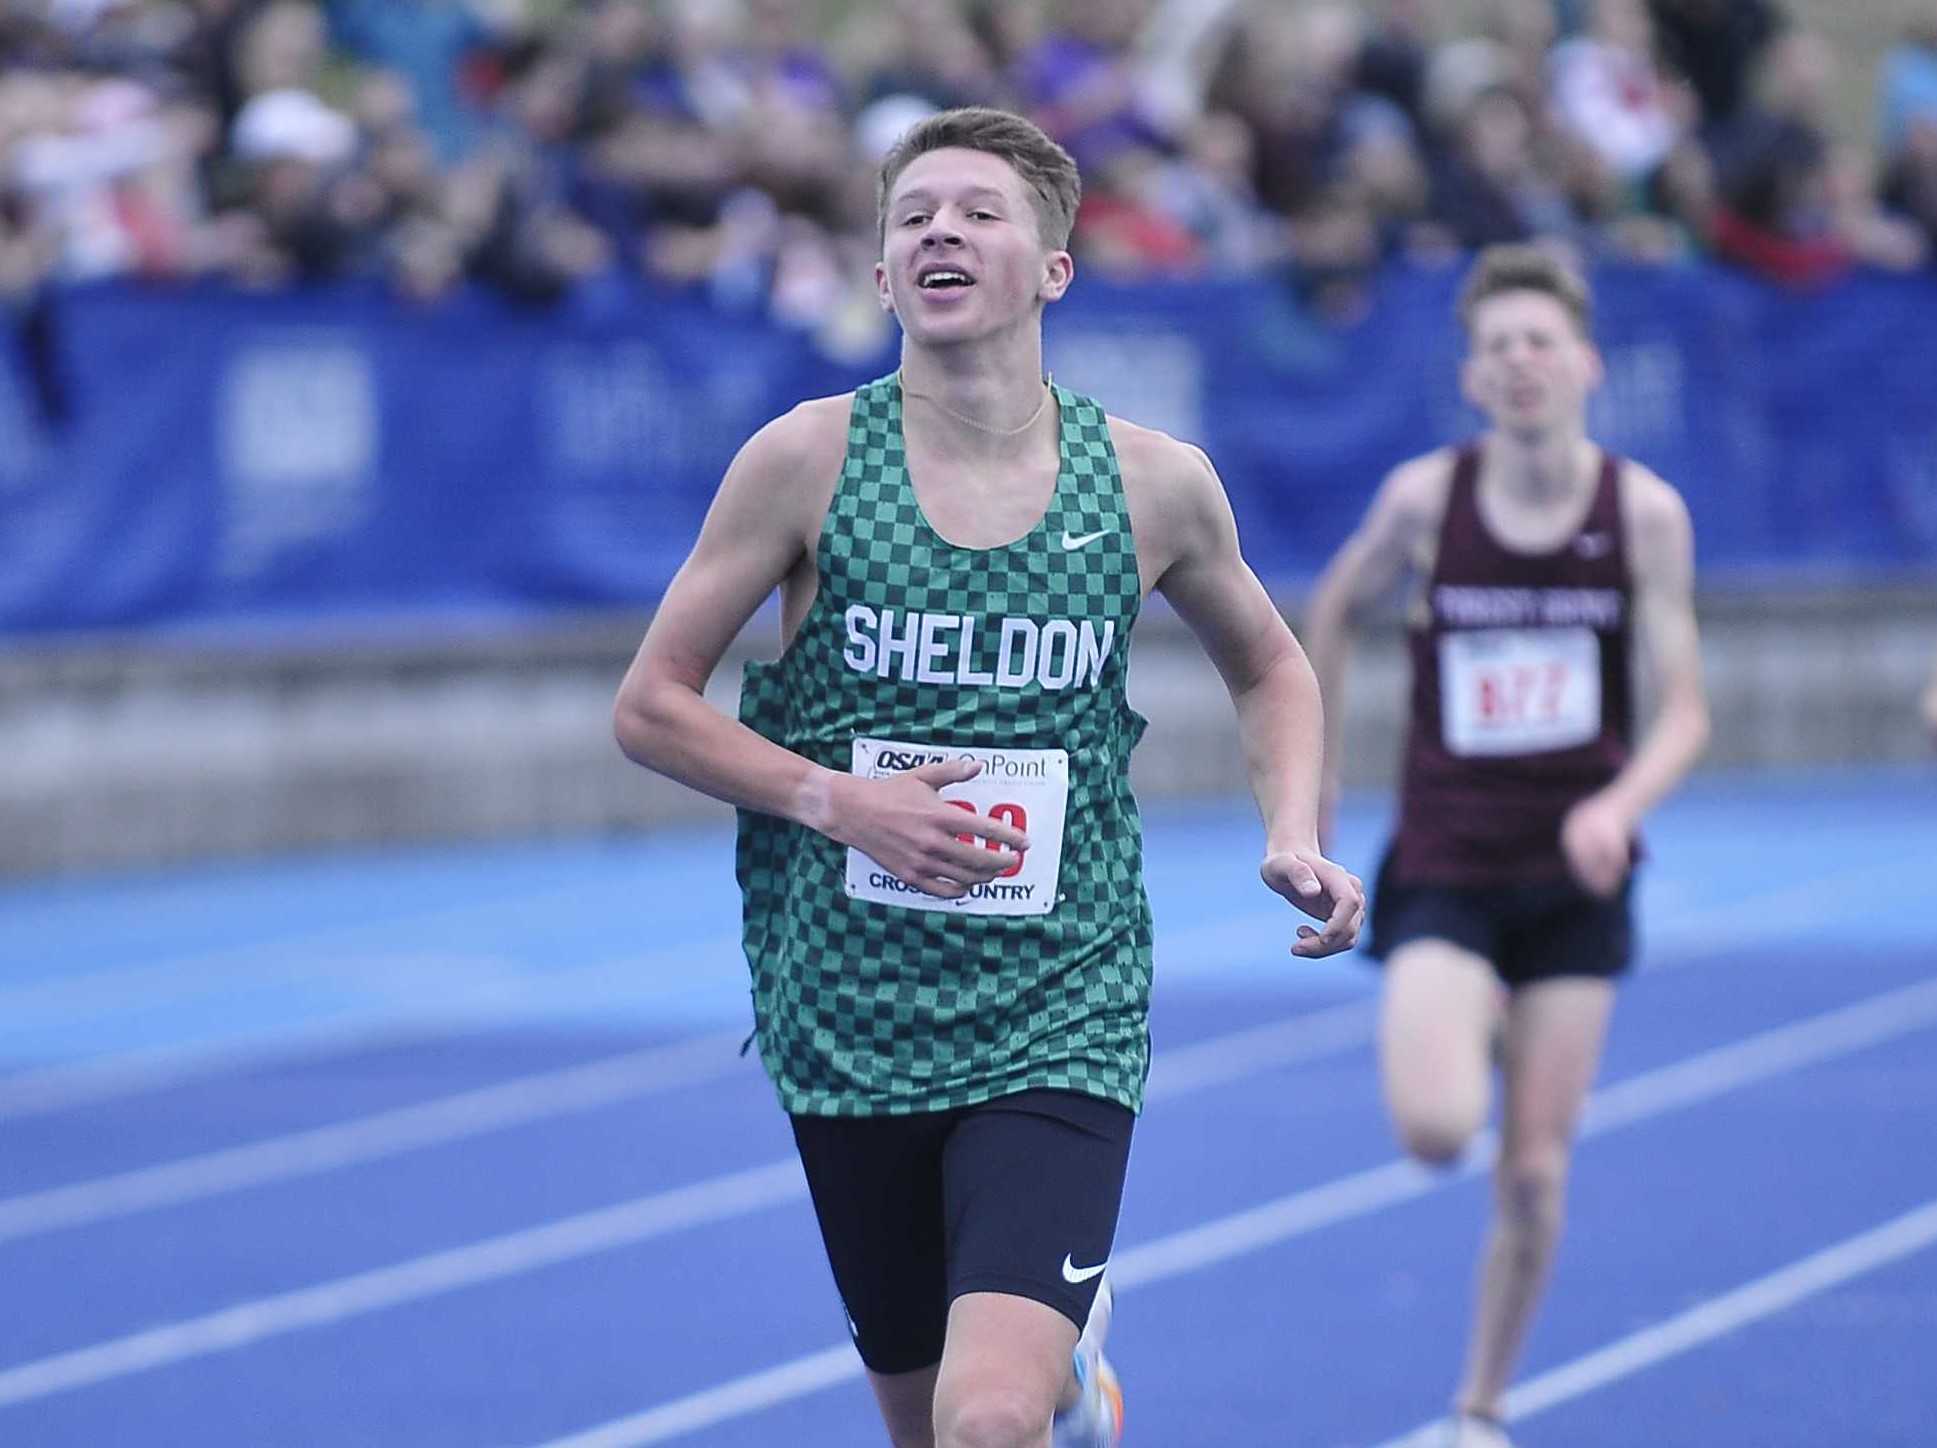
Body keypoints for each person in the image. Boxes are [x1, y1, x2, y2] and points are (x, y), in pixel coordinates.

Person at [613, 106, 1364, 1448]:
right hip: (847, 1011)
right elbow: (651, 705)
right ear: (881, 273)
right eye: (912, 218)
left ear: (1054, 268)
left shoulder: (1151, 483)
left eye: (976, 213)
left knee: (986, 1422)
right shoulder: (804, 462)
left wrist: (1291, 830)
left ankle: (1042, 1375)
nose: (939, 233)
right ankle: (1074, 1377)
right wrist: (843, 801)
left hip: (1058, 1002)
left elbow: (1270, 663)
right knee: (926, 1429)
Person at [1302, 244, 1710, 1448]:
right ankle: (1471, 1004)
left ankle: (1479, 1408)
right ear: (1472, 377)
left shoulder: (1641, 513)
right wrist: (1315, 779)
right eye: (1496, 347)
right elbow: (1329, 609)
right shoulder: (1425, 499)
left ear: (1585, 363)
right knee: (1435, 1130)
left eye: (1540, 341)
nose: (1520, 362)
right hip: (1446, 859)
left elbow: (1685, 709)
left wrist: (1616, 806)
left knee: (1531, 1171)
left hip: (1573, 877)